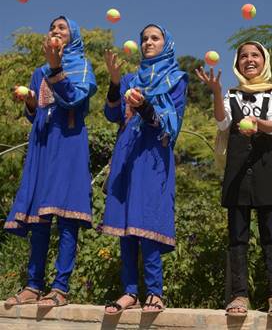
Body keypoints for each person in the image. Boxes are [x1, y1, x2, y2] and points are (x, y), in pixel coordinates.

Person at [4, 16, 97, 308]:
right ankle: (33, 285)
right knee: (39, 217)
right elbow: (35, 114)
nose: (55, 31)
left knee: (67, 216)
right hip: (43, 144)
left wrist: (57, 68)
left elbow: (73, 101)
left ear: (73, 36)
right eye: (52, 28)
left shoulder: (82, 68)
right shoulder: (39, 71)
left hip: (69, 144)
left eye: (62, 28)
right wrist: (30, 101)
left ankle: (60, 287)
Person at [195, 41, 272, 317]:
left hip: (265, 168)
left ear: (264, 60)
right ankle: (239, 296)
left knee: (271, 236)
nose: (249, 60)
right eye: (244, 56)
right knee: (237, 237)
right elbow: (222, 123)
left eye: (255, 55)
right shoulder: (231, 94)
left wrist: (256, 124)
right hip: (237, 172)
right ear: (237, 63)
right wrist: (215, 92)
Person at [102, 24, 188, 315]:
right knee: (127, 225)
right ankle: (129, 292)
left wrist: (144, 108)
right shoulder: (130, 79)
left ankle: (154, 291)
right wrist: (115, 83)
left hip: (154, 157)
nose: (148, 42)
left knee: (148, 221)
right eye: (145, 39)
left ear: (167, 42)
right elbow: (113, 114)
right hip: (127, 154)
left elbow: (171, 122)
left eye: (155, 38)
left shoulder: (176, 79)